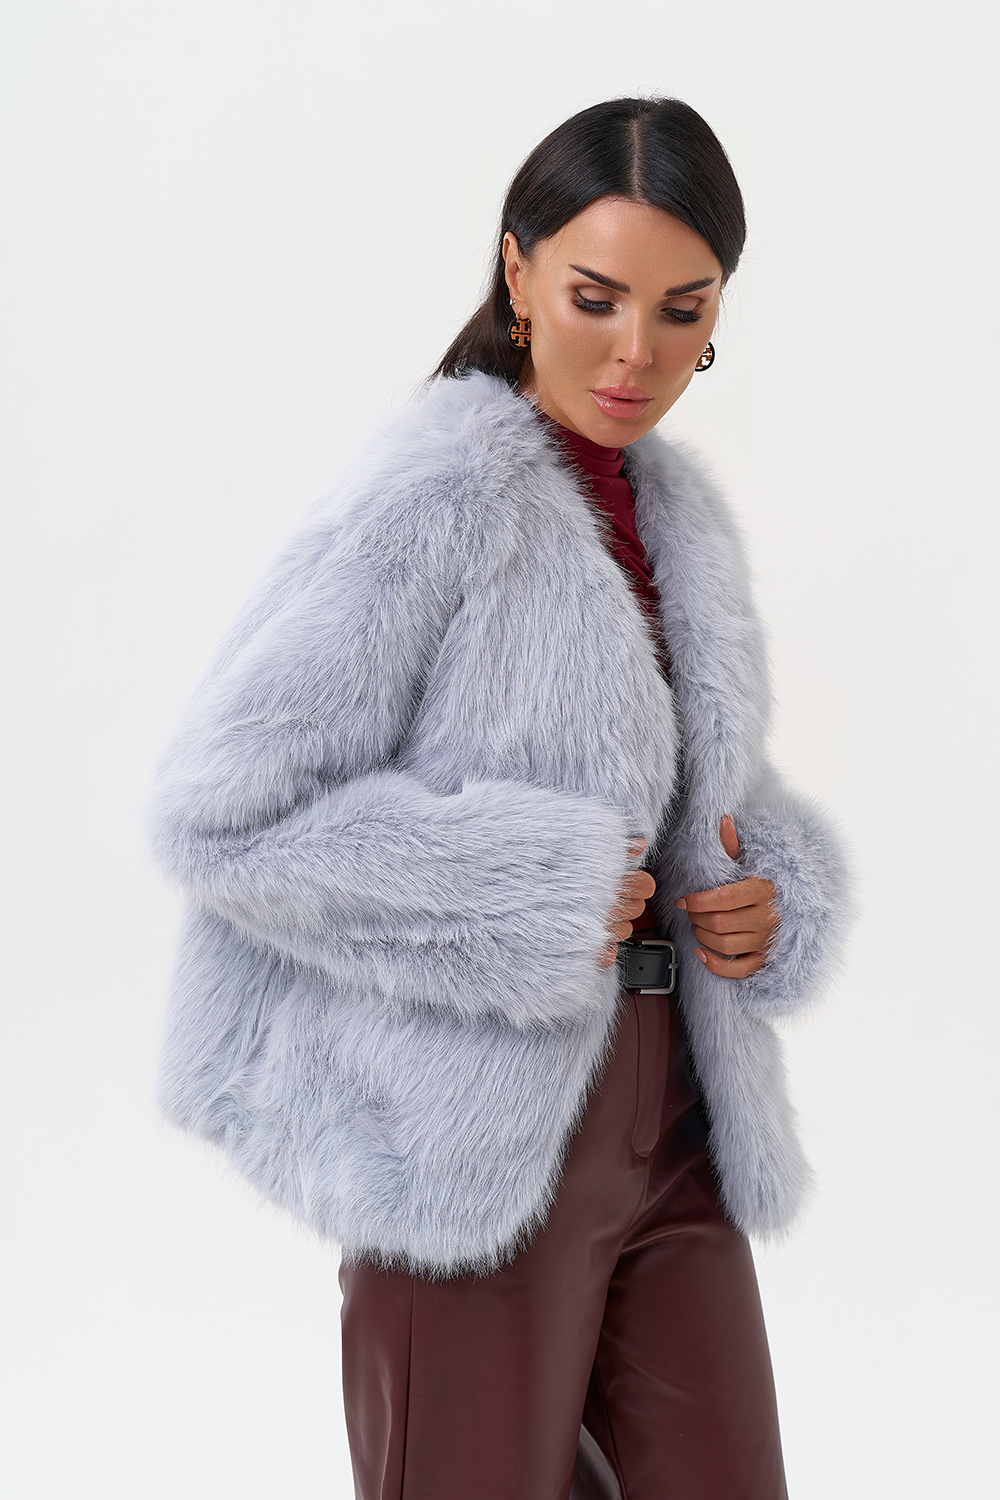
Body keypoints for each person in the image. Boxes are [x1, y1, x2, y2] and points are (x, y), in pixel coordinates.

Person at [145, 96, 851, 1500]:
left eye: (683, 309)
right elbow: (222, 810)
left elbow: (691, 789)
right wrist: (532, 889)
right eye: (597, 297)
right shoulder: (435, 492)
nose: (637, 351)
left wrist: (771, 890)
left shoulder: (678, 514)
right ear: (518, 273)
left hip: (677, 1123)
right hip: (464, 1135)